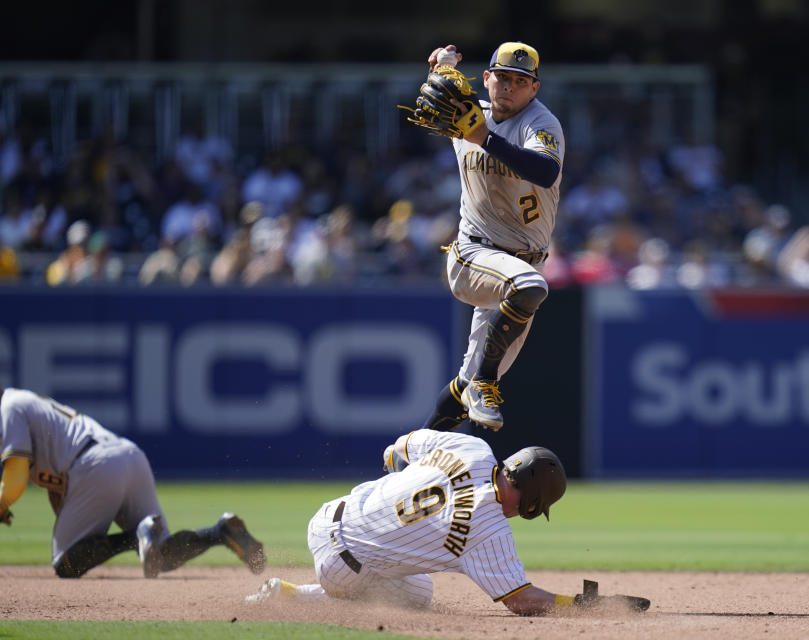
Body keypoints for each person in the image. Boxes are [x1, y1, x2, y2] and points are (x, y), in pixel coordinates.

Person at [245, 428, 583, 616]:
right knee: (419, 594)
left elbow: (396, 451)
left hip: (326, 515)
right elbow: (520, 600)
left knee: (405, 573)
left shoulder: (472, 446)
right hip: (340, 568)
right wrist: (579, 603)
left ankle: (284, 592)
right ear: (534, 504)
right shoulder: (490, 529)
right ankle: (297, 597)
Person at [419, 42, 565, 432]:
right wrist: (443, 65)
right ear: (486, 79)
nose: (509, 87)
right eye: (502, 77)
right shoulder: (467, 114)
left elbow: (545, 171)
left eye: (521, 81)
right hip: (473, 254)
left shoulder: (541, 124)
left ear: (535, 89)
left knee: (463, 391)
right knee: (531, 287)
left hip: (520, 264)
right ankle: (486, 382)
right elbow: (440, 87)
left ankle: (409, 457)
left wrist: (483, 137)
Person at [0, 388, 266, 579]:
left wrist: (3, 502)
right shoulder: (23, 403)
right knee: (163, 555)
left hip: (93, 465)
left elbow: (15, 481)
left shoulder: (9, 407)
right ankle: (219, 532)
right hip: (128, 457)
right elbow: (54, 486)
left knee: (66, 565)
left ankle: (135, 536)